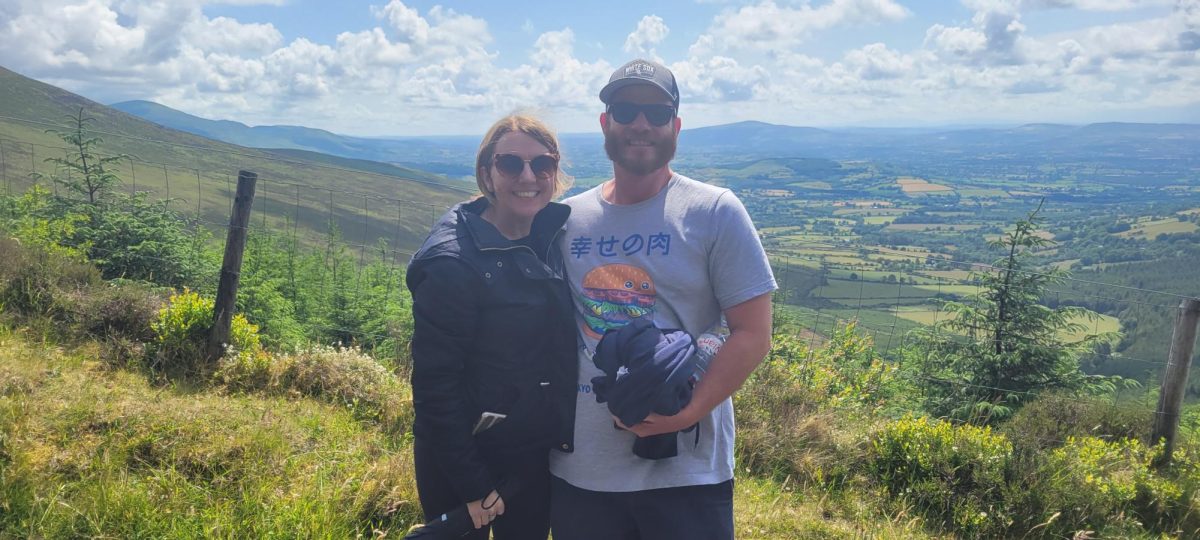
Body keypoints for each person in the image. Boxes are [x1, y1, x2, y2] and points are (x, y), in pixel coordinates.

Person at [549, 59, 777, 539]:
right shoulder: (567, 219)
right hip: (582, 470)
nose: (640, 124)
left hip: (686, 470)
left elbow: (754, 334)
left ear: (675, 126)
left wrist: (688, 412)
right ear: (605, 123)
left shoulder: (715, 211)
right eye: (626, 109)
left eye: (656, 113)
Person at [406, 113, 578, 539]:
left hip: (526, 454)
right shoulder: (452, 261)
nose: (528, 176)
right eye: (510, 164)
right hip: (464, 460)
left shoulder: (547, 233)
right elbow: (434, 386)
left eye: (543, 164)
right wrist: (473, 485)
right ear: (487, 172)